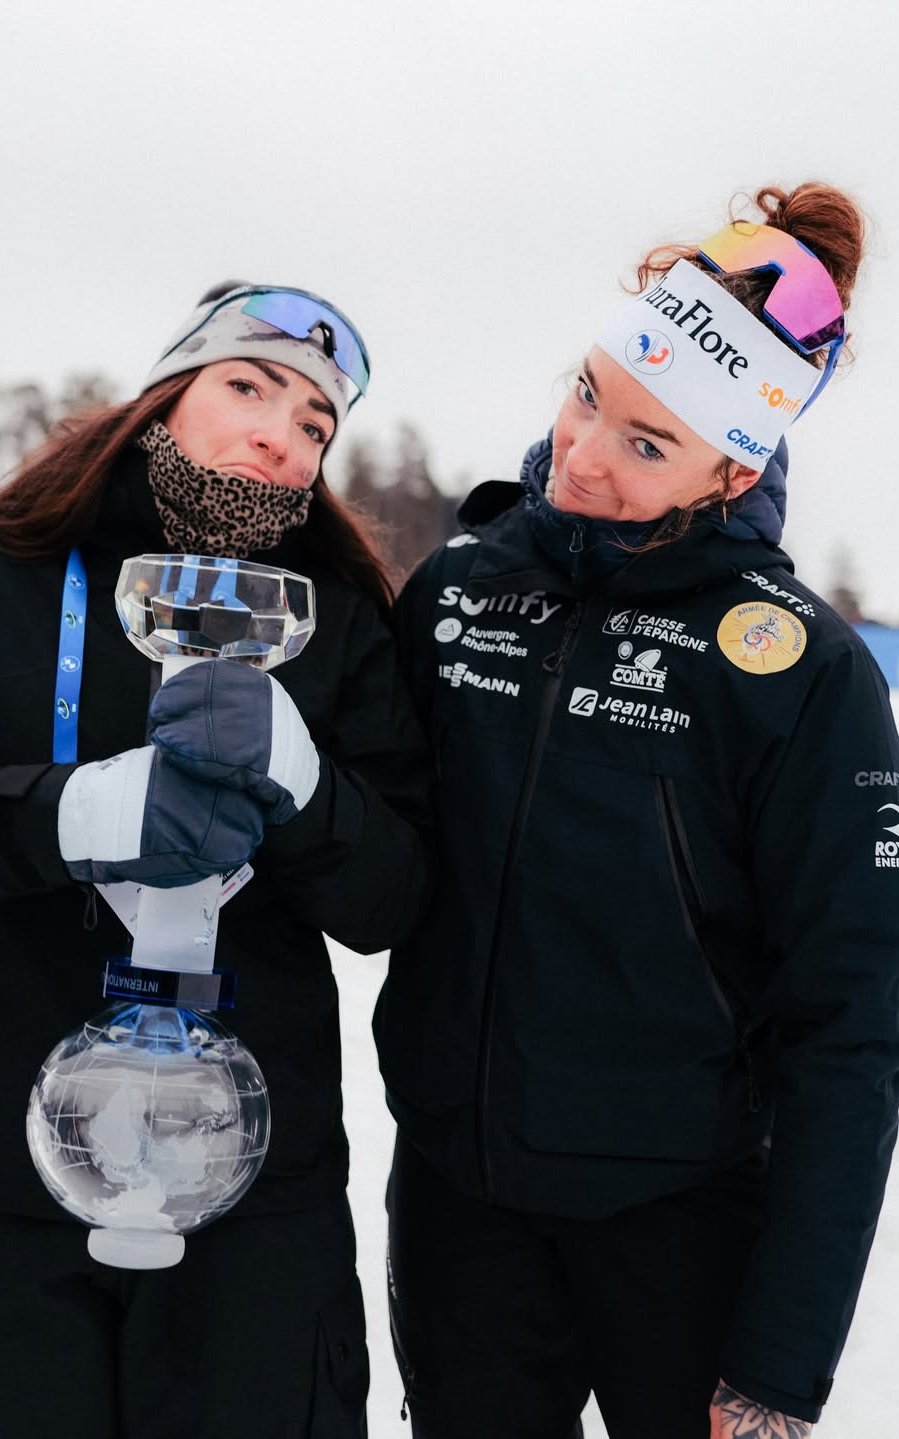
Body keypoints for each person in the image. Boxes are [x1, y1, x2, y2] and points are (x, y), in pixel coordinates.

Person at [0, 282, 432, 1438]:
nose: (280, 433)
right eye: (247, 386)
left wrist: (310, 792)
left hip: (250, 1202)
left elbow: (395, 894)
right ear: (164, 396)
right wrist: (66, 813)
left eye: (315, 422)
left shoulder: (338, 618)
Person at [374, 182, 899, 1438]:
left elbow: (855, 1023)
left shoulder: (800, 670)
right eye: (587, 394)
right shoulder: (460, 589)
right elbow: (370, 848)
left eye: (649, 444)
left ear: (736, 465)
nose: (583, 454)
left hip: (682, 1228)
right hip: (459, 1209)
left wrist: (778, 1367)